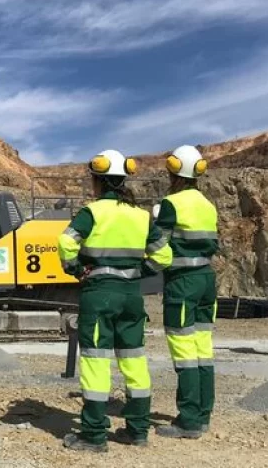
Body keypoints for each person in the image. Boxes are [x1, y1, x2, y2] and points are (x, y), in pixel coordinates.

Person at [57, 149, 173, 452]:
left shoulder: (92, 212)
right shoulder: (141, 216)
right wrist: (139, 272)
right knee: (134, 361)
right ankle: (137, 430)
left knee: (96, 361)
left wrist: (74, 268)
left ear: (98, 181)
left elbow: (66, 241)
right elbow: (164, 255)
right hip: (131, 296)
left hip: (100, 294)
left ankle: (94, 435)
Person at [153, 144, 219, 440]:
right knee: (203, 350)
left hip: (182, 282)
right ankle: (203, 415)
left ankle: (188, 420)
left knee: (184, 352)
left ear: (175, 171)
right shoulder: (208, 205)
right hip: (207, 280)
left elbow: (160, 245)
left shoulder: (171, 204)